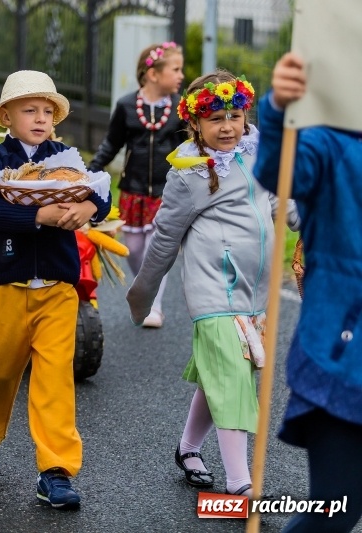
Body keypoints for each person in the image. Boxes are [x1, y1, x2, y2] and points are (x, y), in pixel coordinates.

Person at [126, 70, 300, 497]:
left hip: (255, 293)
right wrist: (142, 296)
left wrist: (317, 224)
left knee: (225, 374)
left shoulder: (258, 152)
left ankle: (188, 449)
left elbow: (280, 202)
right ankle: (242, 485)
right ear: (195, 122)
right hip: (214, 291)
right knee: (233, 381)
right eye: (216, 118)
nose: (227, 127)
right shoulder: (188, 173)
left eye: (235, 116)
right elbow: (165, 237)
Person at [0, 70, 112, 510]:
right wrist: (40, 218)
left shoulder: (65, 158)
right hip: (6, 288)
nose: (41, 118)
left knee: (54, 382)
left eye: (48, 111)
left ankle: (57, 471)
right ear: (6, 115)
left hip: (58, 289)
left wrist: (90, 205)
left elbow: (97, 192)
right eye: (30, 110)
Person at [254, 52, 362, 532]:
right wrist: (280, 107)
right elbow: (282, 173)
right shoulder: (334, 143)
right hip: (342, 363)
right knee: (334, 510)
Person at [87, 42, 186, 328]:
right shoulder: (127, 106)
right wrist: (90, 171)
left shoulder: (179, 109)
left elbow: (187, 150)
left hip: (166, 191)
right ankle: (145, 287)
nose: (181, 75)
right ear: (153, 74)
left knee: (159, 247)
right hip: (133, 190)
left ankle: (154, 305)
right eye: (176, 69)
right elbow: (111, 144)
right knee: (133, 248)